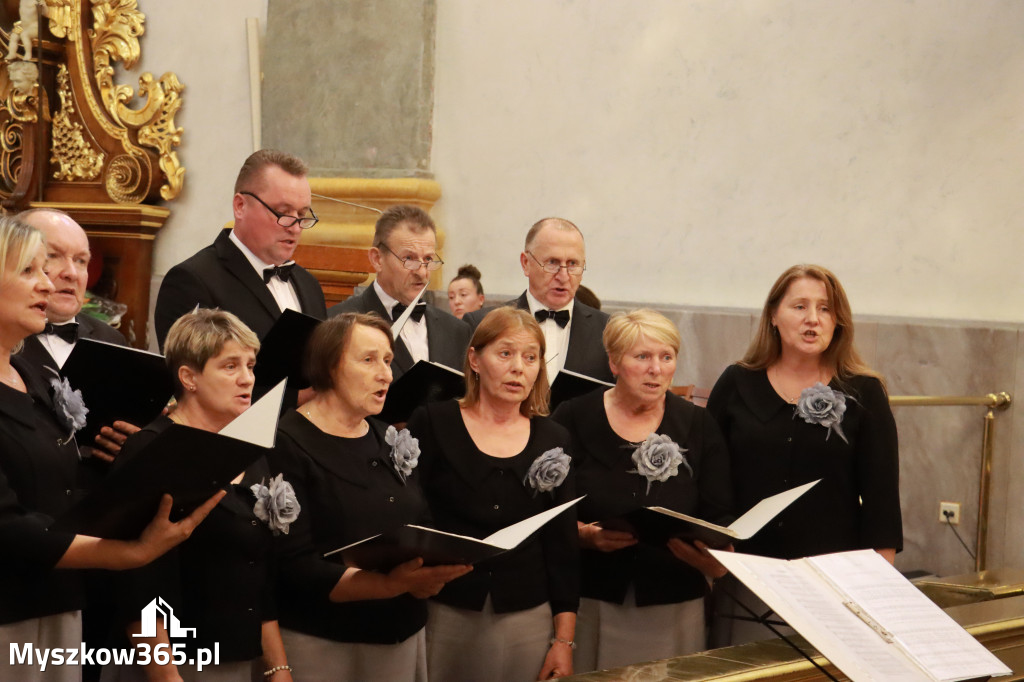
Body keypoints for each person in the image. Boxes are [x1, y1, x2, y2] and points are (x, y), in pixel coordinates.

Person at [0, 216, 221, 682]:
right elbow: (9, 526)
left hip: (64, 594)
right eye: (31, 270)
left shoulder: (33, 377)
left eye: (74, 262)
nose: (51, 280)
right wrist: (132, 553)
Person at [268, 313, 470, 682]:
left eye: (388, 361)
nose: (386, 375)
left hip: (400, 631)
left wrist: (431, 572)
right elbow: (291, 565)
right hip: (323, 641)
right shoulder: (286, 442)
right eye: (368, 360)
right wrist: (391, 584)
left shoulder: (388, 437)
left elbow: (419, 522)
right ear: (329, 367)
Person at [706, 264, 901, 644]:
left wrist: (874, 592)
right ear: (774, 316)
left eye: (825, 309)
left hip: (833, 582)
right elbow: (710, 478)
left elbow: (881, 502)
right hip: (748, 576)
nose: (813, 319)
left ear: (838, 321)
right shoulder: (737, 382)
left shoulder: (863, 391)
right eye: (799, 307)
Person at [111, 309, 293, 682]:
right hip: (175, 664)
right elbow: (134, 585)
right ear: (188, 377)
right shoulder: (151, 450)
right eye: (230, 367)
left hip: (240, 658)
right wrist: (168, 677)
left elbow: (258, 572)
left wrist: (277, 669)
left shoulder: (249, 450)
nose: (247, 379)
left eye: (250, 365)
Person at [552, 309, 733, 671]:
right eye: (643, 357)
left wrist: (716, 558)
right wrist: (583, 536)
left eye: (666, 357)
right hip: (592, 598)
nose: (656, 369)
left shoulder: (696, 424)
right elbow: (546, 511)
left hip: (675, 598)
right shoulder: (573, 417)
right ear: (614, 363)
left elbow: (720, 513)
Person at [407, 307, 579, 681]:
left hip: (526, 612)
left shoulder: (554, 439)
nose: (519, 367)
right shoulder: (434, 422)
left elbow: (562, 545)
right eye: (505, 354)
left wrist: (564, 641)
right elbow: (412, 517)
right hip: (445, 605)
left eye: (530, 357)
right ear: (475, 359)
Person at [154, 149, 328, 350]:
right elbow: (187, 372)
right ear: (240, 206)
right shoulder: (192, 281)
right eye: (282, 212)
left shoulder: (309, 285)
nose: (296, 227)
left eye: (302, 214)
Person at [16, 208, 135, 461]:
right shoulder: (7, 336)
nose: (71, 272)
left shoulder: (110, 339)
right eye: (53, 256)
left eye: (81, 260)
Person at [464, 217, 613, 385]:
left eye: (572, 264)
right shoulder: (481, 323)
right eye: (552, 262)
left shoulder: (608, 330)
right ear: (526, 263)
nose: (563, 276)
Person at [328, 205, 470, 381]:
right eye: (409, 259)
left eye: (428, 259)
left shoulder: (457, 331)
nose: (422, 272)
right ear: (377, 259)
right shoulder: (338, 325)